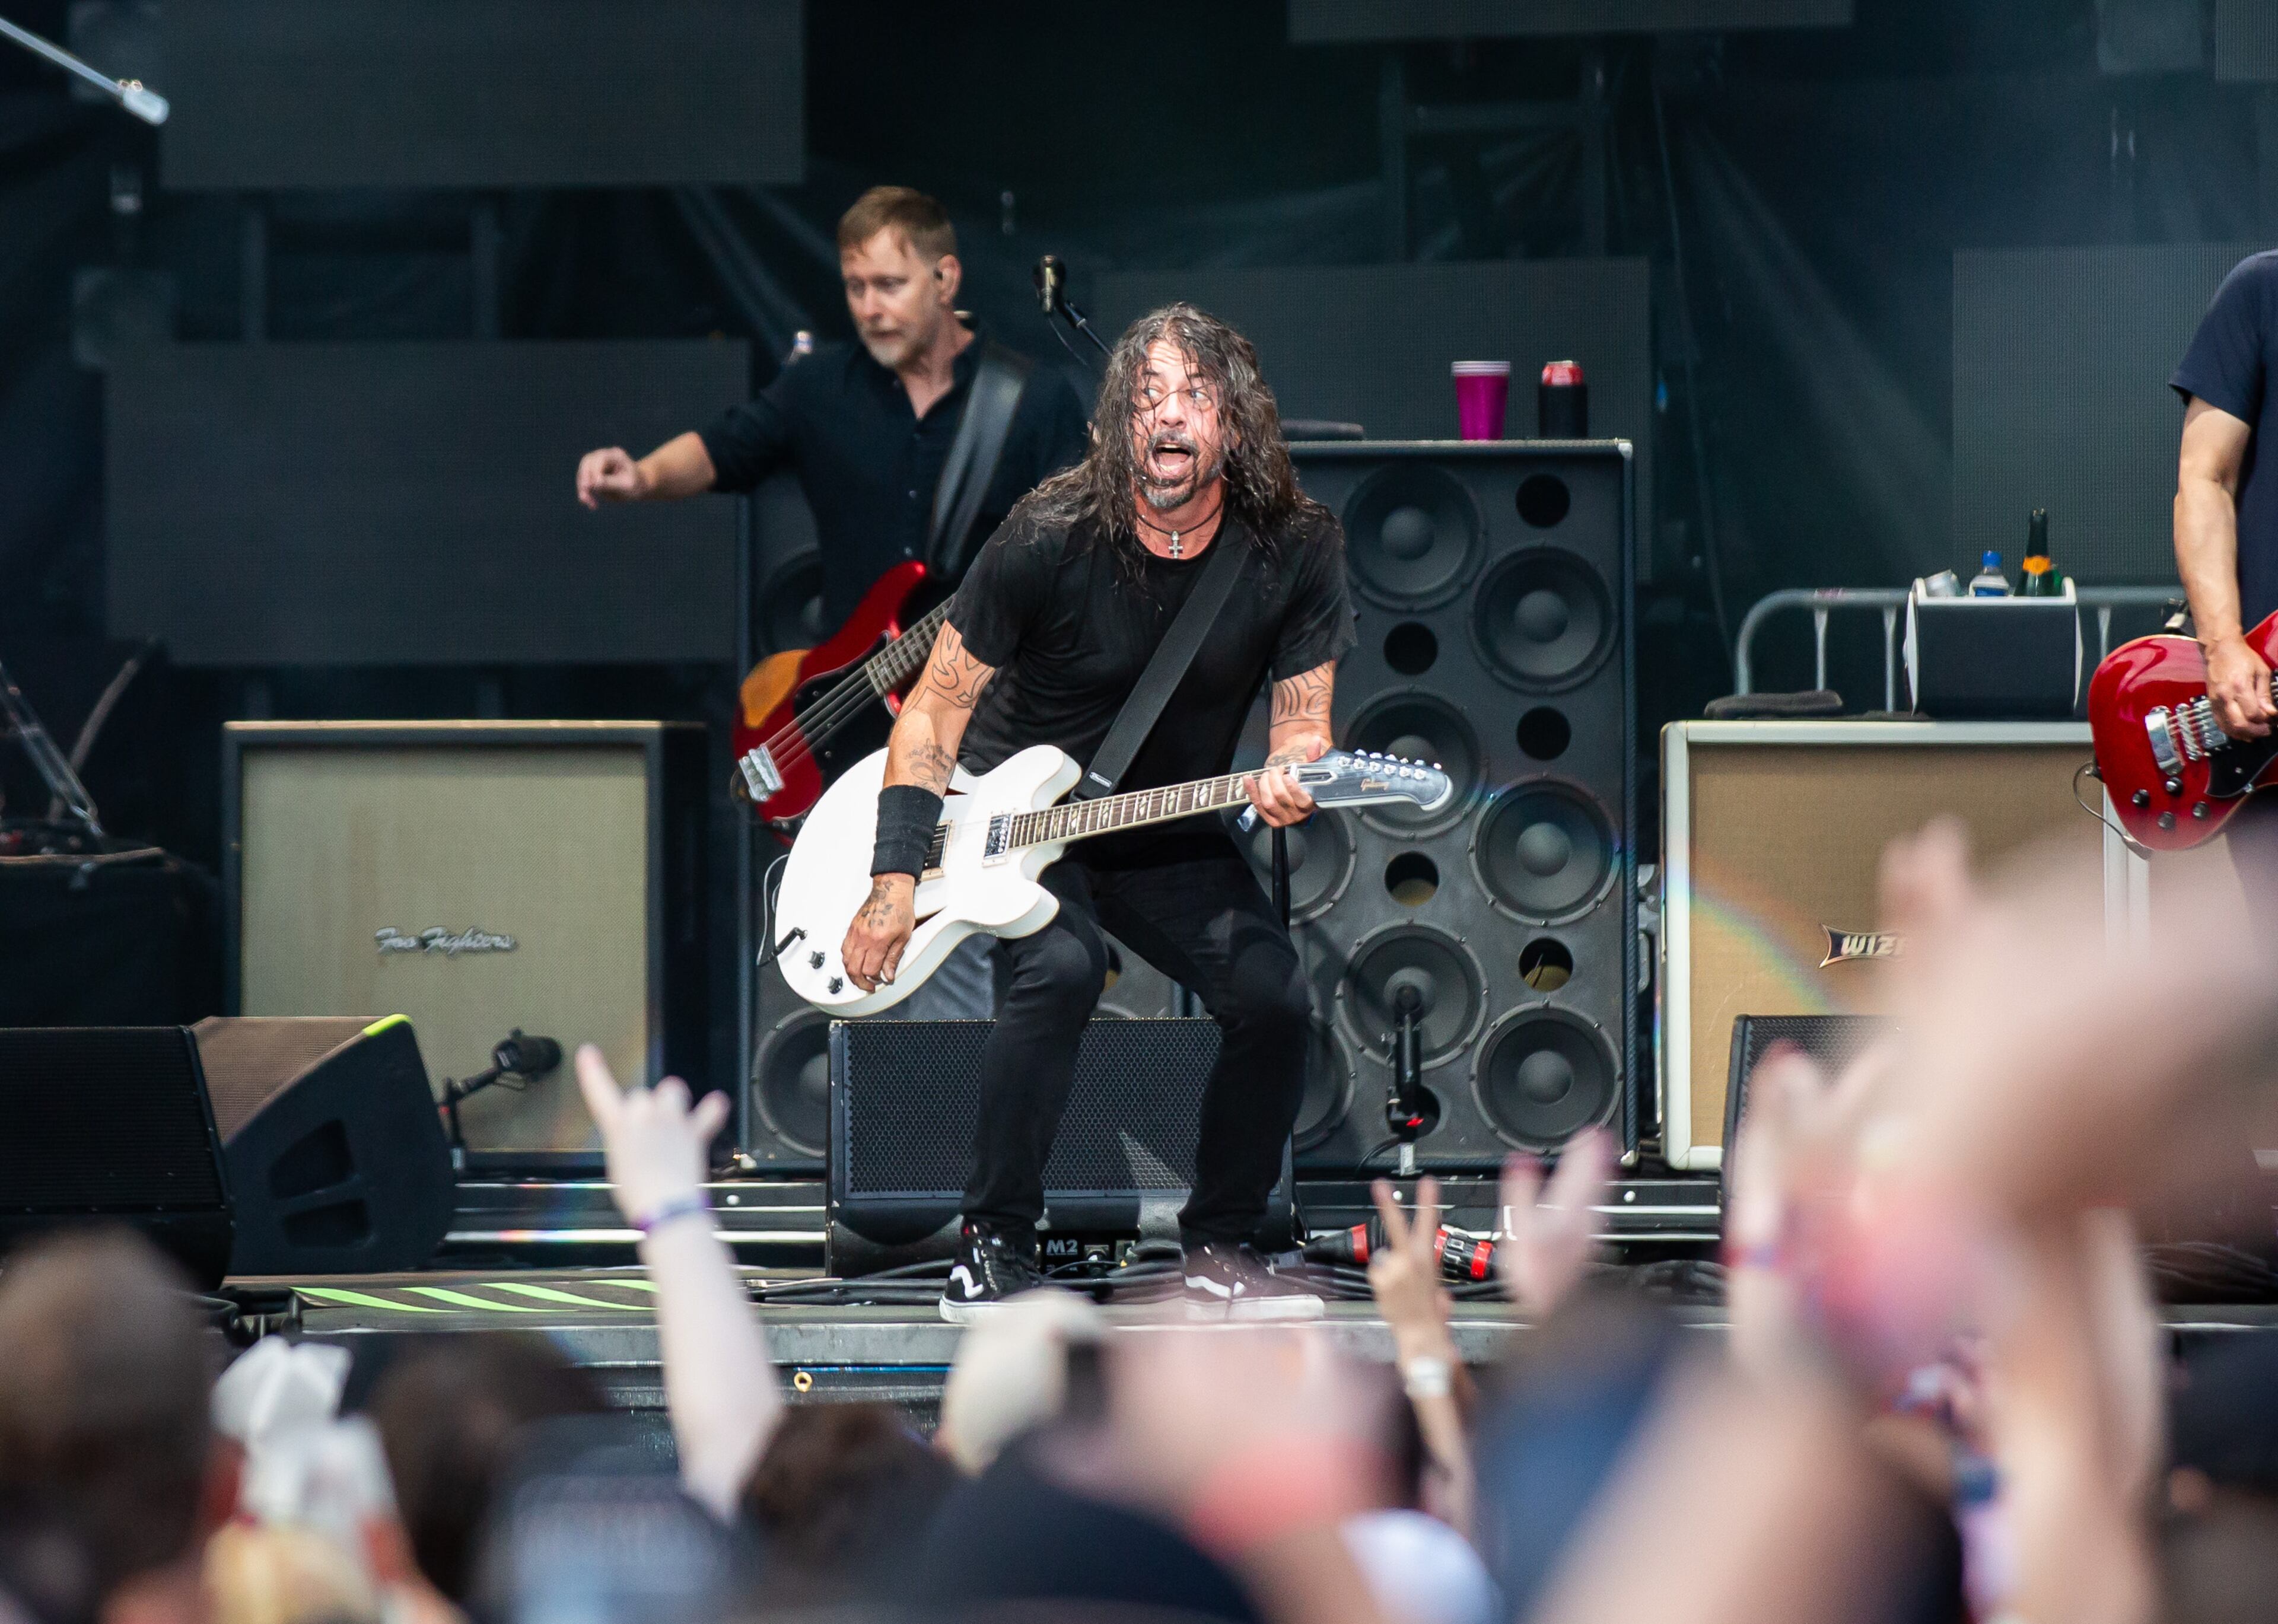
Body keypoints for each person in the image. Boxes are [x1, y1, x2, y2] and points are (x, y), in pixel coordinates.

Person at [837, 301, 1357, 1323]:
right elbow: (935, 710)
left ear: (1235, 426)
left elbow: (1304, 720)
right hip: (1019, 818)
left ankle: (1219, 1248)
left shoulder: (1294, 546)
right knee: (1064, 966)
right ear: (1119, 420)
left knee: (1274, 997)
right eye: (1148, 396)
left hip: (1165, 822)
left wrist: (1295, 771)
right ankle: (992, 1248)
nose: (1169, 417)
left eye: (1196, 395)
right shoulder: (1049, 533)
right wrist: (893, 880)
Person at [576, 183, 1089, 1018]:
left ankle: (971, 1125)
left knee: (964, 929)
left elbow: (1079, 539)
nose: (870, 308)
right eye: (855, 287)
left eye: (890, 285)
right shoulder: (818, 388)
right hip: (845, 710)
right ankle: (883, 1124)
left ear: (946, 277)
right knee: (843, 938)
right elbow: (722, 448)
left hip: (979, 710)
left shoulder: (1032, 400)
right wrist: (639, 477)